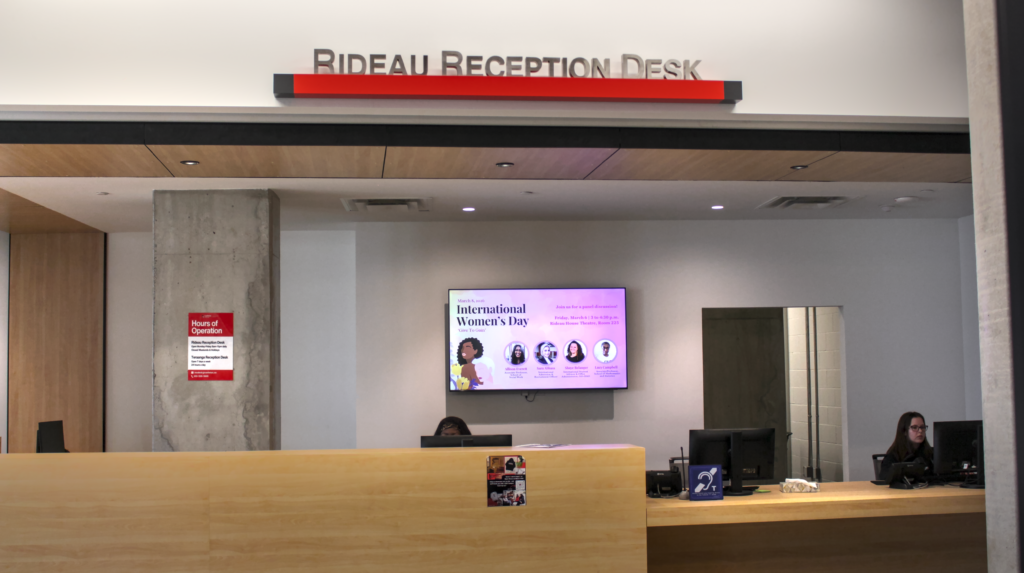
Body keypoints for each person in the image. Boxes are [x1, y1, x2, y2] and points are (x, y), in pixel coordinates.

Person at [879, 411, 934, 480]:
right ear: (904, 431)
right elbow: (884, 478)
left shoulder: (930, 453)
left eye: (922, 427)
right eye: (914, 427)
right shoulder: (893, 455)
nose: (920, 431)